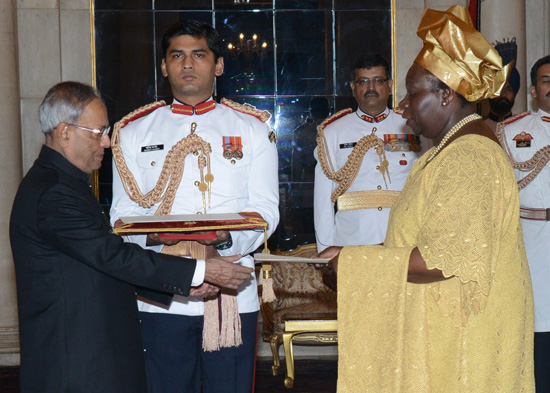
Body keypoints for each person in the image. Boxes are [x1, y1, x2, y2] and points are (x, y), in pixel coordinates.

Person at [318, 6, 534, 392]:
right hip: (444, 328)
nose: (401, 106)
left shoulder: (469, 157)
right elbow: (421, 239)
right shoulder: (446, 152)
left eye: (412, 94)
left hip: (463, 342)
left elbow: (440, 259)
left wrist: (352, 262)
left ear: (447, 95)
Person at [9, 81, 254, 393]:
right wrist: (201, 270)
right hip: (74, 363)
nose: (108, 142)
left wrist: (184, 288)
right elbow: (111, 255)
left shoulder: (63, 182)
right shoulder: (54, 192)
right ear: (65, 133)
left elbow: (99, 267)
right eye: (98, 132)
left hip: (90, 355)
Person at [110, 20, 279, 393]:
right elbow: (121, 220)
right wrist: (180, 256)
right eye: (177, 56)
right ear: (164, 66)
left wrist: (222, 244)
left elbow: (266, 211)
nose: (188, 64)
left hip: (232, 291)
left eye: (199, 55)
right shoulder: (134, 131)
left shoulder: (252, 128)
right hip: (162, 298)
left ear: (218, 65)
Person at [313, 53, 428, 253]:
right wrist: (326, 249)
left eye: (377, 81)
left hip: (405, 239)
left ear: (390, 85)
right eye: (363, 82)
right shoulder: (332, 133)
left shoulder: (413, 126)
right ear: (353, 87)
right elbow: (323, 201)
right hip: (351, 241)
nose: (371, 88)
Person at [497, 54, 550, 393]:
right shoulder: (512, 131)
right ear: (533, 89)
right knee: (538, 328)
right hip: (531, 240)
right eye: (547, 80)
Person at [484, 39, 521, 133]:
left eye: (509, 89)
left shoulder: (523, 128)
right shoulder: (480, 128)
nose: (503, 94)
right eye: (499, 89)